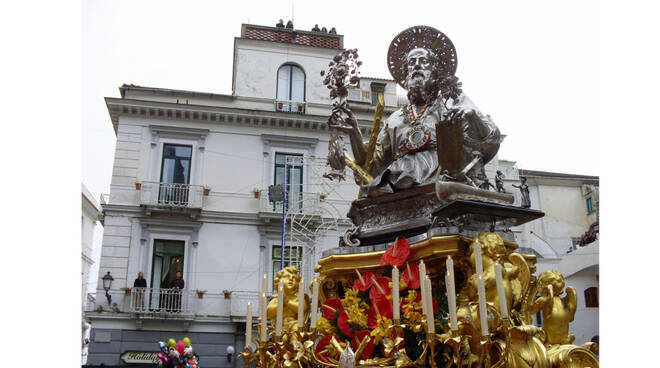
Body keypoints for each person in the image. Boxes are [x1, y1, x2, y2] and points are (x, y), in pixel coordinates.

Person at [328, 26, 500, 197]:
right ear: (406, 73)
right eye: (412, 63)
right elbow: (372, 164)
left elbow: (489, 139)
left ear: (435, 71)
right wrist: (354, 132)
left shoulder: (450, 100)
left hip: (442, 174)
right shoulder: (395, 118)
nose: (417, 66)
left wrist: (472, 116)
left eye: (423, 61)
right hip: (399, 178)